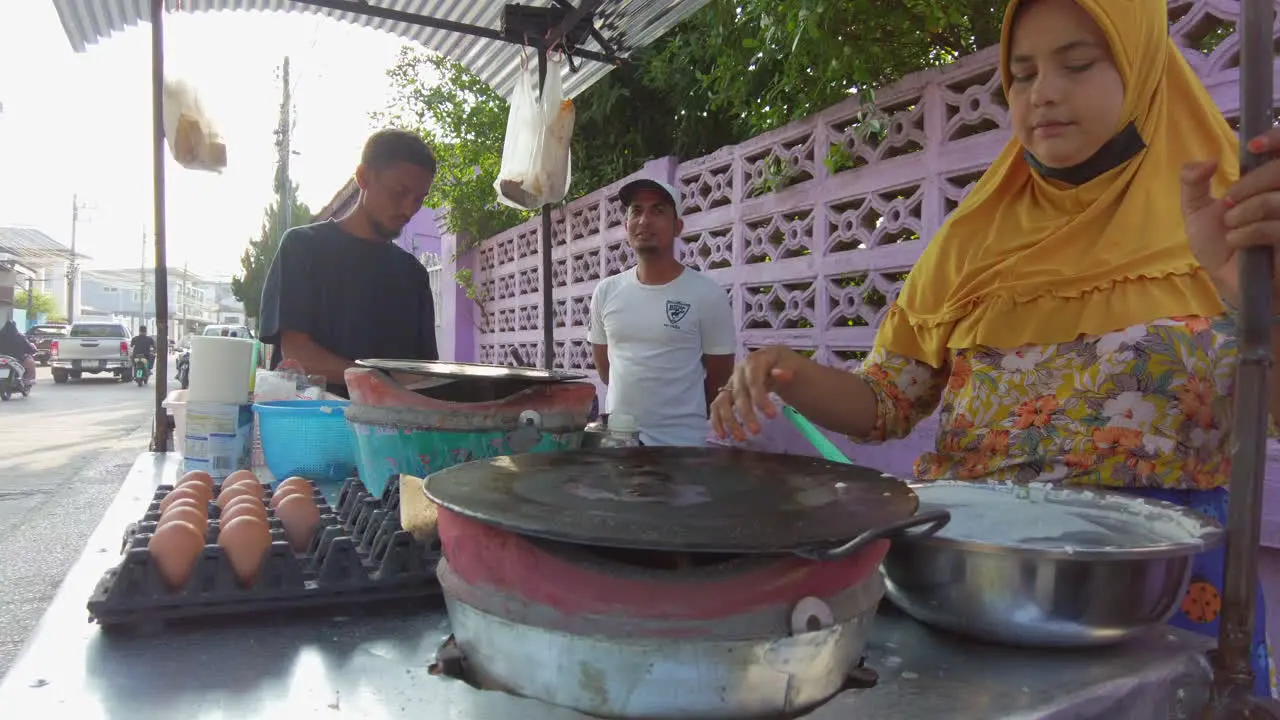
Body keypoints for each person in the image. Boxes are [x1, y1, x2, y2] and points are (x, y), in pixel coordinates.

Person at [711, 0, 1280, 697]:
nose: (1043, 92)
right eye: (1022, 73)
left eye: (1077, 64)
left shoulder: (1235, 218)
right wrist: (787, 370)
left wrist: (1260, 303)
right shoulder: (971, 238)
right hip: (970, 581)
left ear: (1144, 67)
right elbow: (885, 405)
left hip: (1159, 601)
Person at [260, 129, 439, 398]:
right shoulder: (303, 248)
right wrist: (383, 380)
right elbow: (299, 357)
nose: (408, 209)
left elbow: (423, 374)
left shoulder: (413, 275)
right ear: (364, 177)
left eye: (418, 199)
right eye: (399, 192)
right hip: (313, 429)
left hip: (393, 434)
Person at [589, 178, 736, 446]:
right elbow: (605, 369)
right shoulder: (606, 292)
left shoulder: (707, 294)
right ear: (626, 226)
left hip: (681, 451)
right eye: (636, 211)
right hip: (618, 446)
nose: (644, 220)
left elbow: (719, 380)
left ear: (678, 227)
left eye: (658, 211)